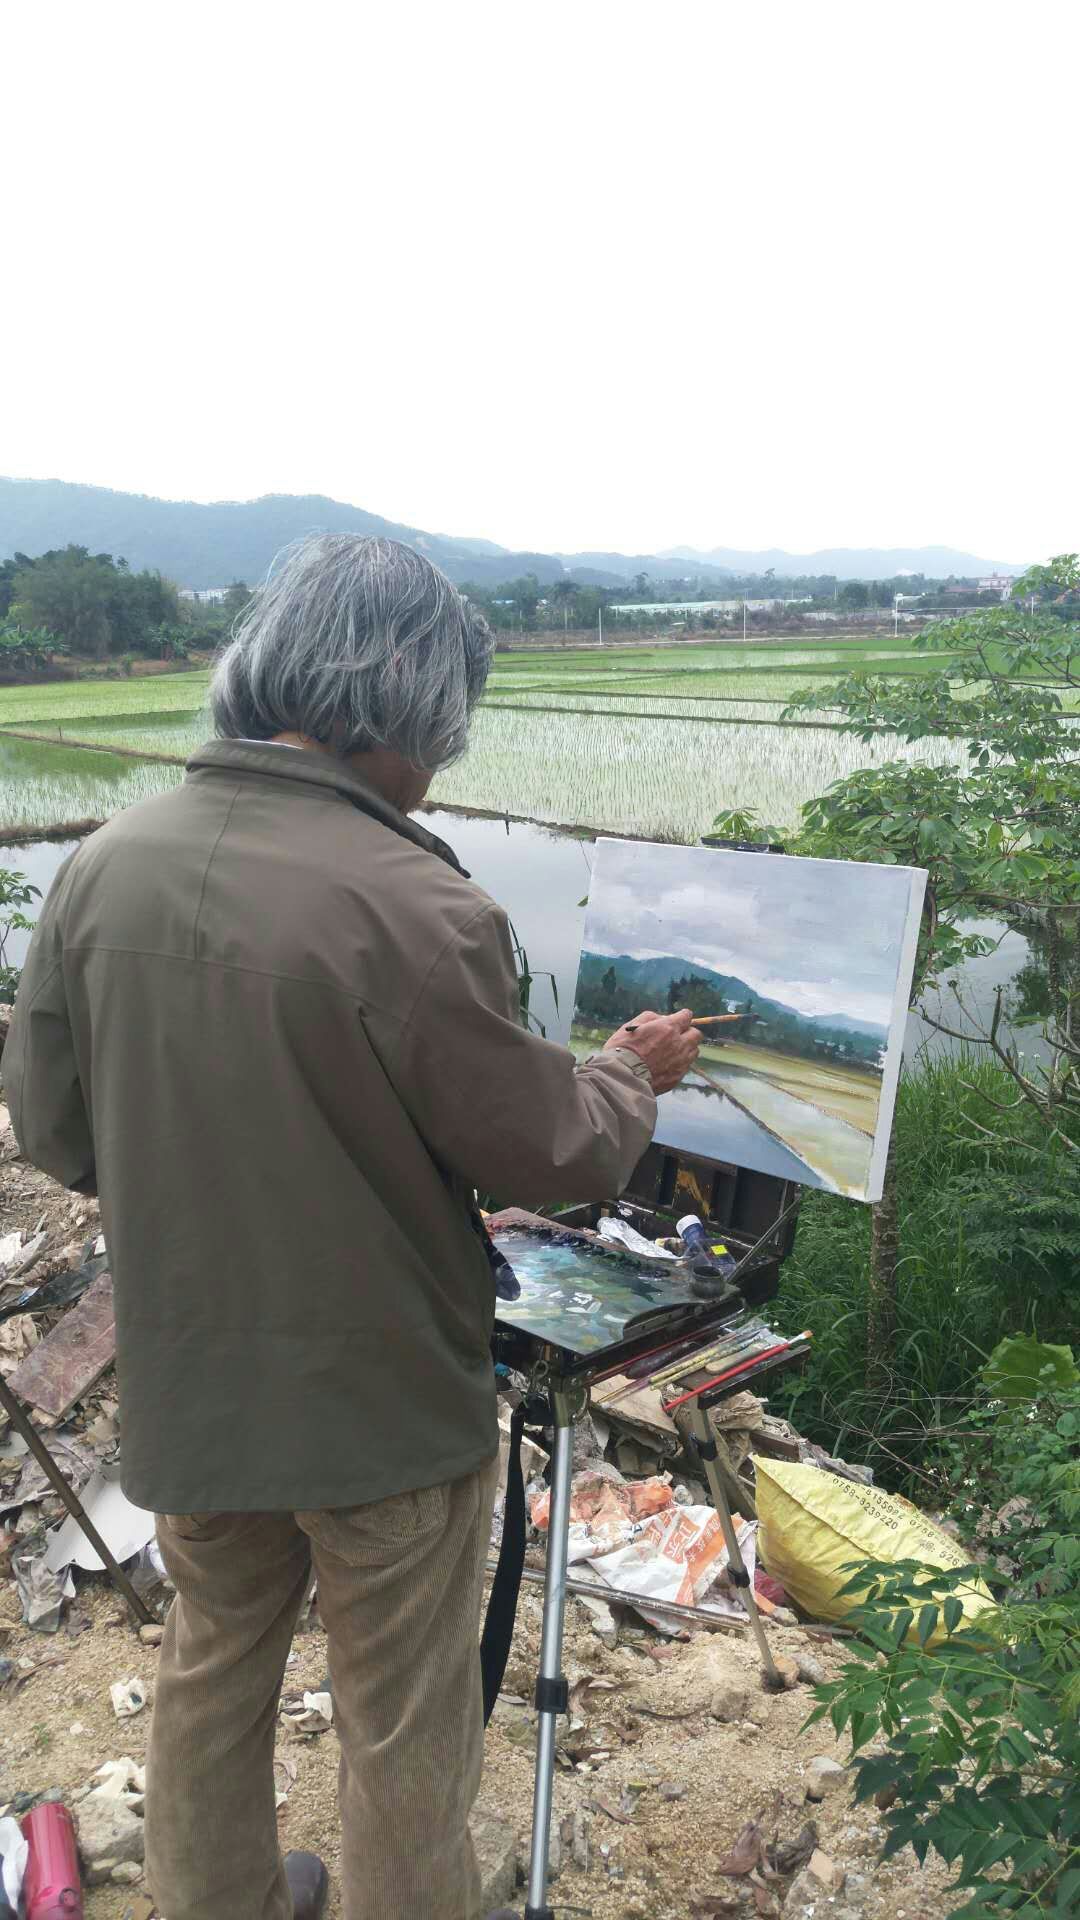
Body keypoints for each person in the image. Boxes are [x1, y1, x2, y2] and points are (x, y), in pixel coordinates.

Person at [5, 536, 700, 1920]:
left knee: (211, 1670)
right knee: (402, 1729)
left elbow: (62, 1138)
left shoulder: (103, 869)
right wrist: (629, 1071)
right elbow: (550, 1148)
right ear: (412, 710)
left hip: (196, 1380)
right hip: (381, 1404)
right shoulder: (419, 906)